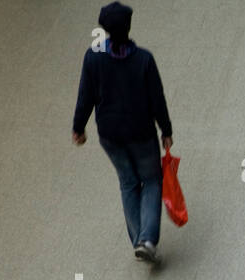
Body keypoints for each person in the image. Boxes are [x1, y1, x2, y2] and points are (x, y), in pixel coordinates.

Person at [71, 2, 173, 263]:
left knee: (128, 182)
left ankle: (138, 238)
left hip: (110, 135)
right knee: (151, 180)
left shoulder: (93, 57)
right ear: (128, 27)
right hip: (141, 133)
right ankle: (147, 240)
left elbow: (86, 95)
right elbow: (157, 97)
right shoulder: (143, 59)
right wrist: (166, 129)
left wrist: (78, 127)